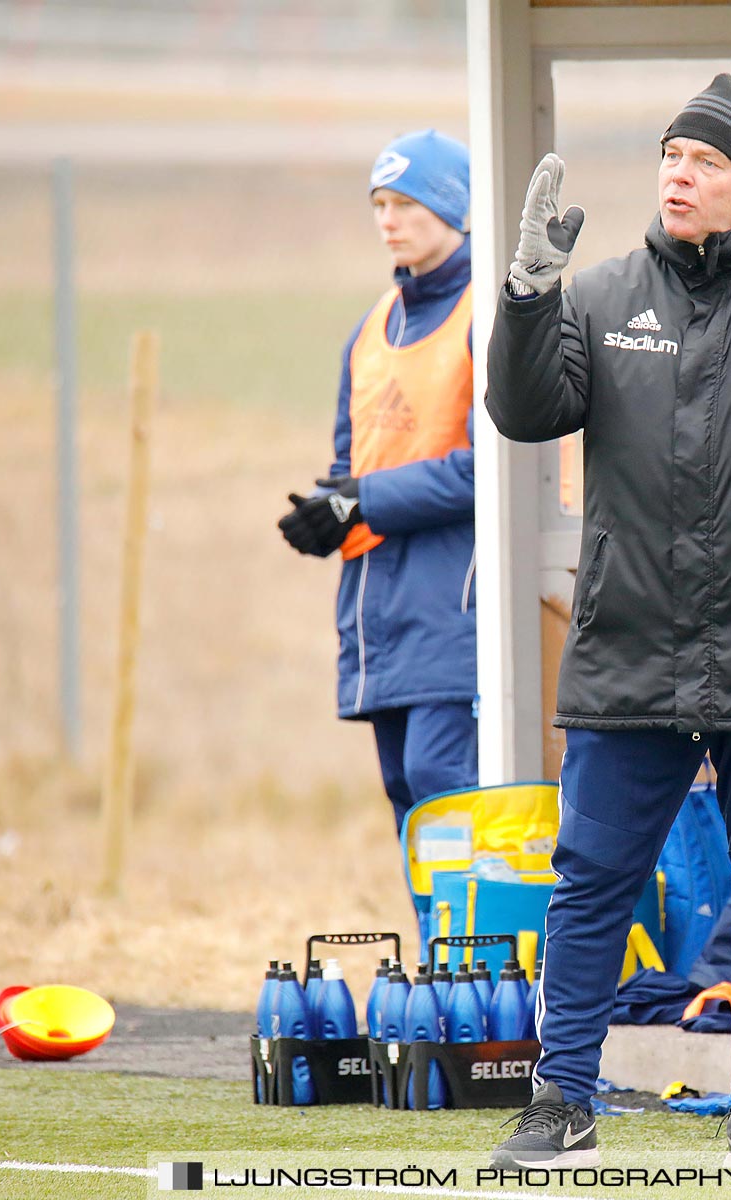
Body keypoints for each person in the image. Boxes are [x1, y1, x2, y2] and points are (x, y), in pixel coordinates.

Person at [484, 74, 731, 1172]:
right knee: (589, 884)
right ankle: (561, 1099)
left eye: (705, 161)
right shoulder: (603, 293)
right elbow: (525, 413)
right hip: (630, 644)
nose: (678, 172)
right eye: (670, 154)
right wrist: (526, 295)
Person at [277, 130, 479, 864]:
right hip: (378, 614)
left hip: (455, 609)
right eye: (379, 204)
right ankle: (435, 977)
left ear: (455, 209)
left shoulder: (488, 317)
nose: (388, 220)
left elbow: (492, 470)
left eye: (407, 203)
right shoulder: (371, 327)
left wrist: (363, 503)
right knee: (406, 794)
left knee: (445, 791)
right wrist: (328, 512)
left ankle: (474, 974)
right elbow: (349, 459)